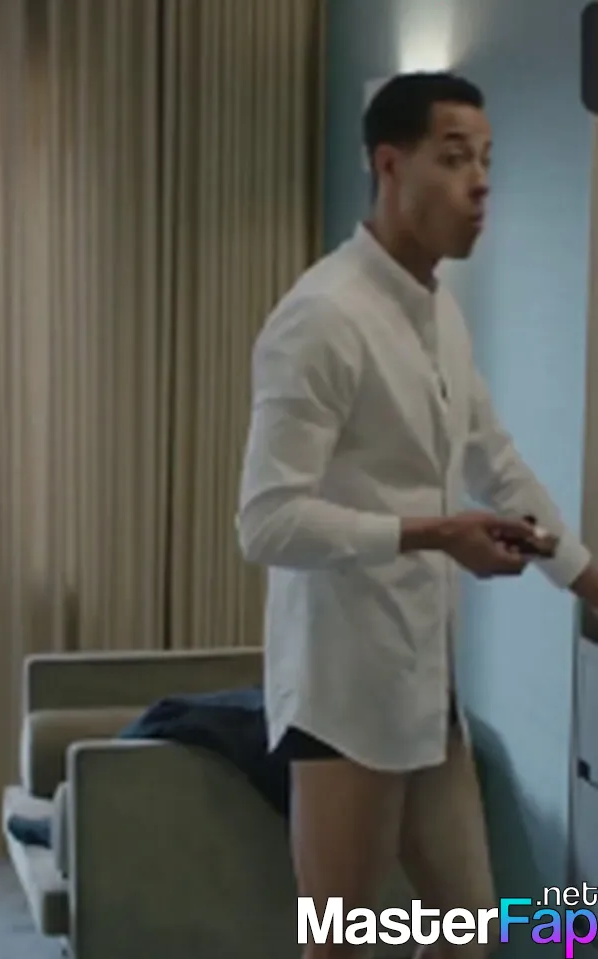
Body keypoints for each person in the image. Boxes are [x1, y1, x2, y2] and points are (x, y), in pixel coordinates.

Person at [236, 71, 598, 958]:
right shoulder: (321, 318)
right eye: (455, 157)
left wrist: (584, 575)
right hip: (345, 696)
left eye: (487, 161)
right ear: (389, 166)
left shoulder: (439, 314)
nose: (481, 183)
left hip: (427, 691)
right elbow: (267, 522)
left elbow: (493, 460)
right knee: (340, 943)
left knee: (467, 936)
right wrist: (434, 534)